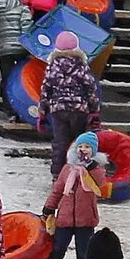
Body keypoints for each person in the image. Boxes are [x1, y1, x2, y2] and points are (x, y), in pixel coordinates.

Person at [39, 133, 109, 259]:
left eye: (87, 147)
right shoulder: (68, 168)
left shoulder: (96, 169)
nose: (83, 150)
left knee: (84, 253)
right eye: (81, 147)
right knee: (57, 249)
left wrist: (91, 167)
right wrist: (50, 206)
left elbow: (100, 184)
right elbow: (58, 190)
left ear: (94, 151)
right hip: (65, 218)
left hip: (86, 220)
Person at [38, 27, 101, 168]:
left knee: (60, 142)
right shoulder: (81, 66)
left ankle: (57, 173)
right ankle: (78, 170)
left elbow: (45, 90)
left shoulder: (52, 67)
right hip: (79, 110)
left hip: (58, 110)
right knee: (78, 141)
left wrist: (42, 112)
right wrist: (94, 111)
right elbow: (91, 89)